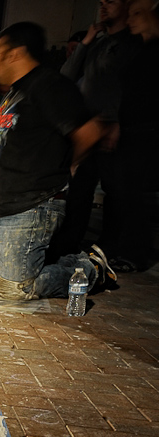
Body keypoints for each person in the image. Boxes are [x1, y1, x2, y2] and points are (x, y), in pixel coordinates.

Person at [0, 22, 111, 301]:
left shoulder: (49, 85)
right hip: (3, 207)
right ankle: (62, 264)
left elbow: (89, 132)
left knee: (15, 289)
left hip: (32, 205)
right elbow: (5, 152)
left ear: (15, 53)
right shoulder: (12, 94)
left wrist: (61, 172)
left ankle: (89, 268)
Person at [56, 0, 140, 265]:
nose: (104, 7)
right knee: (79, 189)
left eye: (111, 2)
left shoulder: (132, 42)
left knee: (117, 192)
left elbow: (130, 87)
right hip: (88, 129)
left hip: (114, 128)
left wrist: (115, 120)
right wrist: (87, 40)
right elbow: (66, 76)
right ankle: (70, 244)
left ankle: (111, 250)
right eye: (101, 2)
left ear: (127, 6)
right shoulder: (99, 42)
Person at [115, 0, 159, 270]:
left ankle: (135, 254)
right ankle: (129, 250)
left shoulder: (154, 52)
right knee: (129, 194)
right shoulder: (140, 49)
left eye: (137, 14)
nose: (131, 19)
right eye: (129, 14)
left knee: (136, 195)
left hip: (147, 133)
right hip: (132, 130)